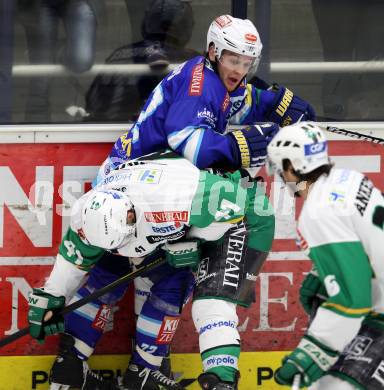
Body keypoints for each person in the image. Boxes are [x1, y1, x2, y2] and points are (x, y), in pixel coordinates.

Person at [41, 14, 315, 390]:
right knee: (124, 276)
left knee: (149, 279)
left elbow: (239, 100)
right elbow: (195, 145)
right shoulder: (198, 83)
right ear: (214, 51)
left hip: (155, 185)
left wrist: (275, 101)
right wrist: (257, 140)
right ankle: (86, 363)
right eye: (233, 59)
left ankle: (108, 367)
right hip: (146, 190)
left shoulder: (212, 78)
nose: (239, 69)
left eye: (246, 62)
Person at [27, 154, 272, 390]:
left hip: (242, 217)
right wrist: (52, 297)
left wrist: (193, 240)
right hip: (174, 214)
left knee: (204, 300)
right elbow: (73, 261)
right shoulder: (85, 216)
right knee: (109, 266)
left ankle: (191, 376)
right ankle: (73, 362)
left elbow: (238, 198)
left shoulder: (174, 200)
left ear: (133, 215)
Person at [266, 121, 384, 389]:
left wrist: (312, 353)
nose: (282, 178)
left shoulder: (318, 210)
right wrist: (327, 271)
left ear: (292, 166)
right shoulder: (348, 178)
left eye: (281, 168)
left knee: (333, 386)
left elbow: (352, 302)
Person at [85, 0, 198, 122]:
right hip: (137, 133)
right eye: (190, 24)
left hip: (107, 131)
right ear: (180, 27)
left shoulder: (119, 55)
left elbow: (92, 103)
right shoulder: (193, 62)